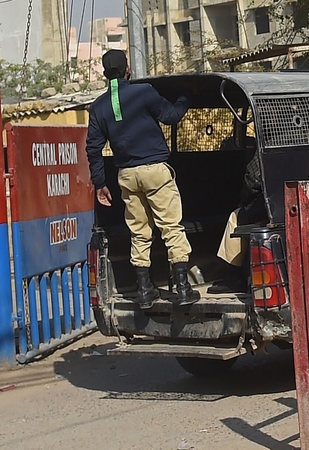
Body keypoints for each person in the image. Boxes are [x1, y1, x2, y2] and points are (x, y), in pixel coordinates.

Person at [85, 49, 200, 308]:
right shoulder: (144, 91)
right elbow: (171, 116)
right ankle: (182, 289)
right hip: (155, 171)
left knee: (139, 233)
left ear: (105, 74)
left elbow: (93, 148)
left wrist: (100, 184)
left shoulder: (99, 106)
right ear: (128, 70)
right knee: (171, 227)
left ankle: (145, 292)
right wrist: (186, 94)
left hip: (126, 175)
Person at [208, 145, 267, 294]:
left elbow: (252, 180)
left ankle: (233, 277)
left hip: (269, 206)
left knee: (235, 216)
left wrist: (244, 200)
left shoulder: (268, 143)